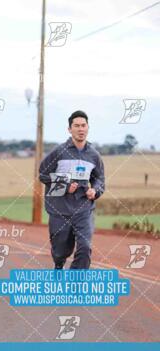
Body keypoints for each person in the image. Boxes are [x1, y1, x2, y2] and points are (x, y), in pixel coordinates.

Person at [39, 110, 105, 270]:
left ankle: (74, 285)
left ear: (88, 128)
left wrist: (95, 191)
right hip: (60, 210)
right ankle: (59, 265)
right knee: (61, 250)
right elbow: (42, 175)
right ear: (70, 129)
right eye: (76, 126)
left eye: (83, 125)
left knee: (84, 248)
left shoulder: (94, 155)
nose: (80, 129)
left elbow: (99, 180)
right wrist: (65, 186)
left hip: (83, 210)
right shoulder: (59, 152)